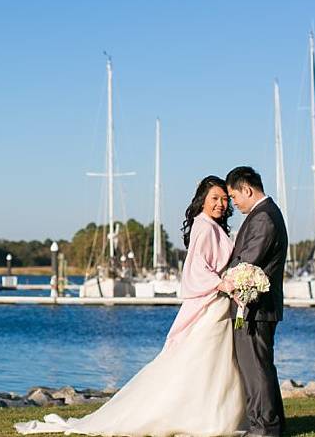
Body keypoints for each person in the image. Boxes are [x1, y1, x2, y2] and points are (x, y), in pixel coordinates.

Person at [15, 176, 246, 436]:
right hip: (210, 302)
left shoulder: (212, 227)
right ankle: (204, 418)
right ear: (202, 200)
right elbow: (195, 271)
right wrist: (223, 283)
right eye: (215, 198)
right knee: (200, 361)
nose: (221, 203)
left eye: (225, 199)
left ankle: (216, 416)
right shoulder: (203, 227)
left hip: (217, 304)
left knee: (212, 363)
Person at [225, 166, 288, 437]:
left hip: (255, 307)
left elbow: (247, 261)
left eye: (233, 196)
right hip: (258, 307)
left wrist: (223, 277)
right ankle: (271, 424)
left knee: (256, 369)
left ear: (247, 189)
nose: (233, 202)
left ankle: (264, 428)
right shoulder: (265, 214)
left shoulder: (263, 218)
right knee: (261, 367)